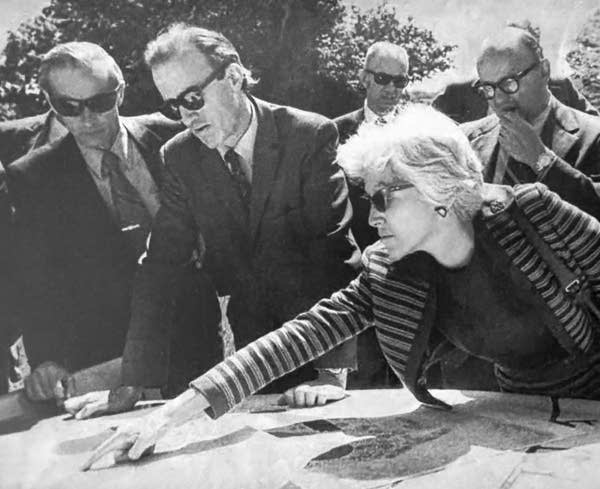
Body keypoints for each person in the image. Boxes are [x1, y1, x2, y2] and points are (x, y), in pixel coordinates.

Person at [80, 105, 600, 469]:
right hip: (526, 411)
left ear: (437, 188)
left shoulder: (532, 213)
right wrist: (169, 416)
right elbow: (296, 338)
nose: (371, 218)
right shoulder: (389, 272)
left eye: (384, 198)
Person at [66, 24, 358, 418]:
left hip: (337, 348)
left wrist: (332, 373)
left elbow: (334, 253)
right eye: (174, 106)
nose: (187, 116)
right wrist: (132, 382)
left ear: (234, 76)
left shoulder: (308, 135)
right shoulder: (180, 157)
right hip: (259, 353)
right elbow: (160, 266)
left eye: (193, 97)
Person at [5, 41, 219, 402]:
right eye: (69, 107)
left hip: (196, 342)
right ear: (51, 105)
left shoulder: (174, 137)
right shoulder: (33, 177)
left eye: (100, 102)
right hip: (104, 360)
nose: (87, 118)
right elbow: (36, 280)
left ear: (120, 92)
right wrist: (47, 359)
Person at [462, 22, 600, 219]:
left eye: (509, 83)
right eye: (488, 88)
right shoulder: (466, 138)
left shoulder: (594, 136)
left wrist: (541, 160)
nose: (498, 100)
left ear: (544, 70)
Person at [334, 41, 410, 387]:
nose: (392, 89)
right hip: (357, 270)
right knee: (364, 382)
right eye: (383, 79)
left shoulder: (418, 131)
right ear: (364, 78)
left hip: (410, 266)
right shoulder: (333, 132)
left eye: (400, 81)